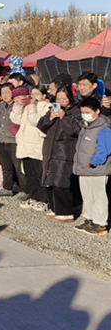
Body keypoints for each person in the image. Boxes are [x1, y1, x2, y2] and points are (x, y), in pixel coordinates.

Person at [36, 85, 82, 222]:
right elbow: (41, 126)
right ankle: (55, 207)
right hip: (50, 149)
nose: (61, 101)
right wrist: (50, 118)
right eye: (58, 99)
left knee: (61, 182)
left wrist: (63, 117)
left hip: (65, 150)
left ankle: (65, 211)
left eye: (64, 99)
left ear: (70, 98)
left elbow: (74, 130)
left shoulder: (76, 111)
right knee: (49, 181)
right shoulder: (52, 109)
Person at [73, 97, 111, 235]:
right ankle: (89, 219)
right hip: (84, 169)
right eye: (83, 112)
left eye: (88, 112)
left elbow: (105, 149)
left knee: (98, 197)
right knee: (87, 196)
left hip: (96, 169)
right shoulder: (86, 126)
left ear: (97, 111)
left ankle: (100, 223)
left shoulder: (104, 128)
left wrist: (94, 161)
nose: (85, 115)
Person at [11, 85, 51, 211]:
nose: (33, 96)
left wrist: (32, 106)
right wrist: (18, 105)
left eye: (37, 94)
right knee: (30, 174)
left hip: (38, 145)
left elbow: (36, 121)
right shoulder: (28, 107)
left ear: (44, 96)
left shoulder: (47, 107)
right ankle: (33, 197)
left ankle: (44, 199)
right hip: (25, 144)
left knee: (41, 175)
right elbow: (15, 119)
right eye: (32, 94)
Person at [0, 83, 24, 197]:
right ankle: (7, 187)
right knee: (5, 166)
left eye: (7, 92)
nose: (4, 95)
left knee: (18, 167)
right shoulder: (0, 106)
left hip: (13, 140)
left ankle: (24, 190)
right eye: (2, 93)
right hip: (0, 140)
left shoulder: (18, 106)